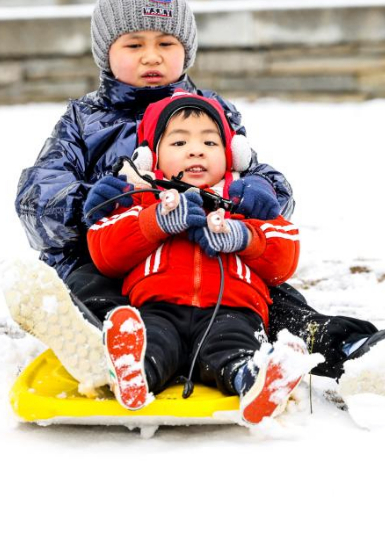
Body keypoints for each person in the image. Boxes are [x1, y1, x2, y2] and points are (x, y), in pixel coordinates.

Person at [10, 0, 385, 398]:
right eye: (134, 43)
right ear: (106, 51)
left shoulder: (212, 114)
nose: (151, 56)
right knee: (92, 287)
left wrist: (253, 196)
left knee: (274, 300)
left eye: (166, 43)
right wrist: (104, 205)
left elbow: (260, 179)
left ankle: (344, 347)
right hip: (118, 259)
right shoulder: (84, 122)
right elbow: (37, 198)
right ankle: (104, 346)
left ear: (186, 49)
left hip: (208, 261)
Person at [86, 92, 320, 424]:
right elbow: (104, 250)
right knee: (154, 343)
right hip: (158, 307)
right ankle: (133, 371)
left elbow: (285, 256)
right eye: (179, 144)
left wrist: (245, 237)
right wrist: (155, 222)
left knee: (234, 349)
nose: (196, 150)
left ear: (231, 155)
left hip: (233, 310)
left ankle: (258, 382)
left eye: (210, 144)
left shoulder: (250, 203)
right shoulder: (137, 201)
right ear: (150, 157)